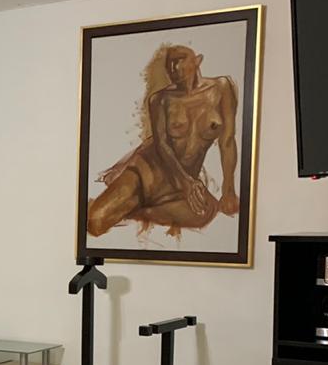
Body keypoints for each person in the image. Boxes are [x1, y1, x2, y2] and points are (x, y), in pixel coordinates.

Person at [86, 45, 239, 238]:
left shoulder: (222, 88)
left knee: (205, 213)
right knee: (95, 222)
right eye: (170, 64)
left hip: (180, 187)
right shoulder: (160, 100)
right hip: (147, 173)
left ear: (197, 61)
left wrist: (229, 190)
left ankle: (136, 209)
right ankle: (130, 203)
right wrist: (185, 182)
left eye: (180, 60)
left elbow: (227, 141)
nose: (174, 68)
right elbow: (163, 146)